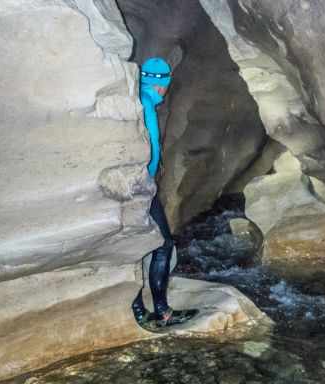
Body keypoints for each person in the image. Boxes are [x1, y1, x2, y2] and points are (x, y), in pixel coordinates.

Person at [131, 57, 198, 330]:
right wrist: (149, 177)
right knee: (161, 244)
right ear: (159, 84)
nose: (165, 90)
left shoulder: (141, 99)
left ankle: (151, 308)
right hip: (139, 188)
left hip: (141, 185)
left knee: (153, 245)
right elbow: (149, 148)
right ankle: (154, 310)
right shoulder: (145, 102)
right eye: (165, 84)